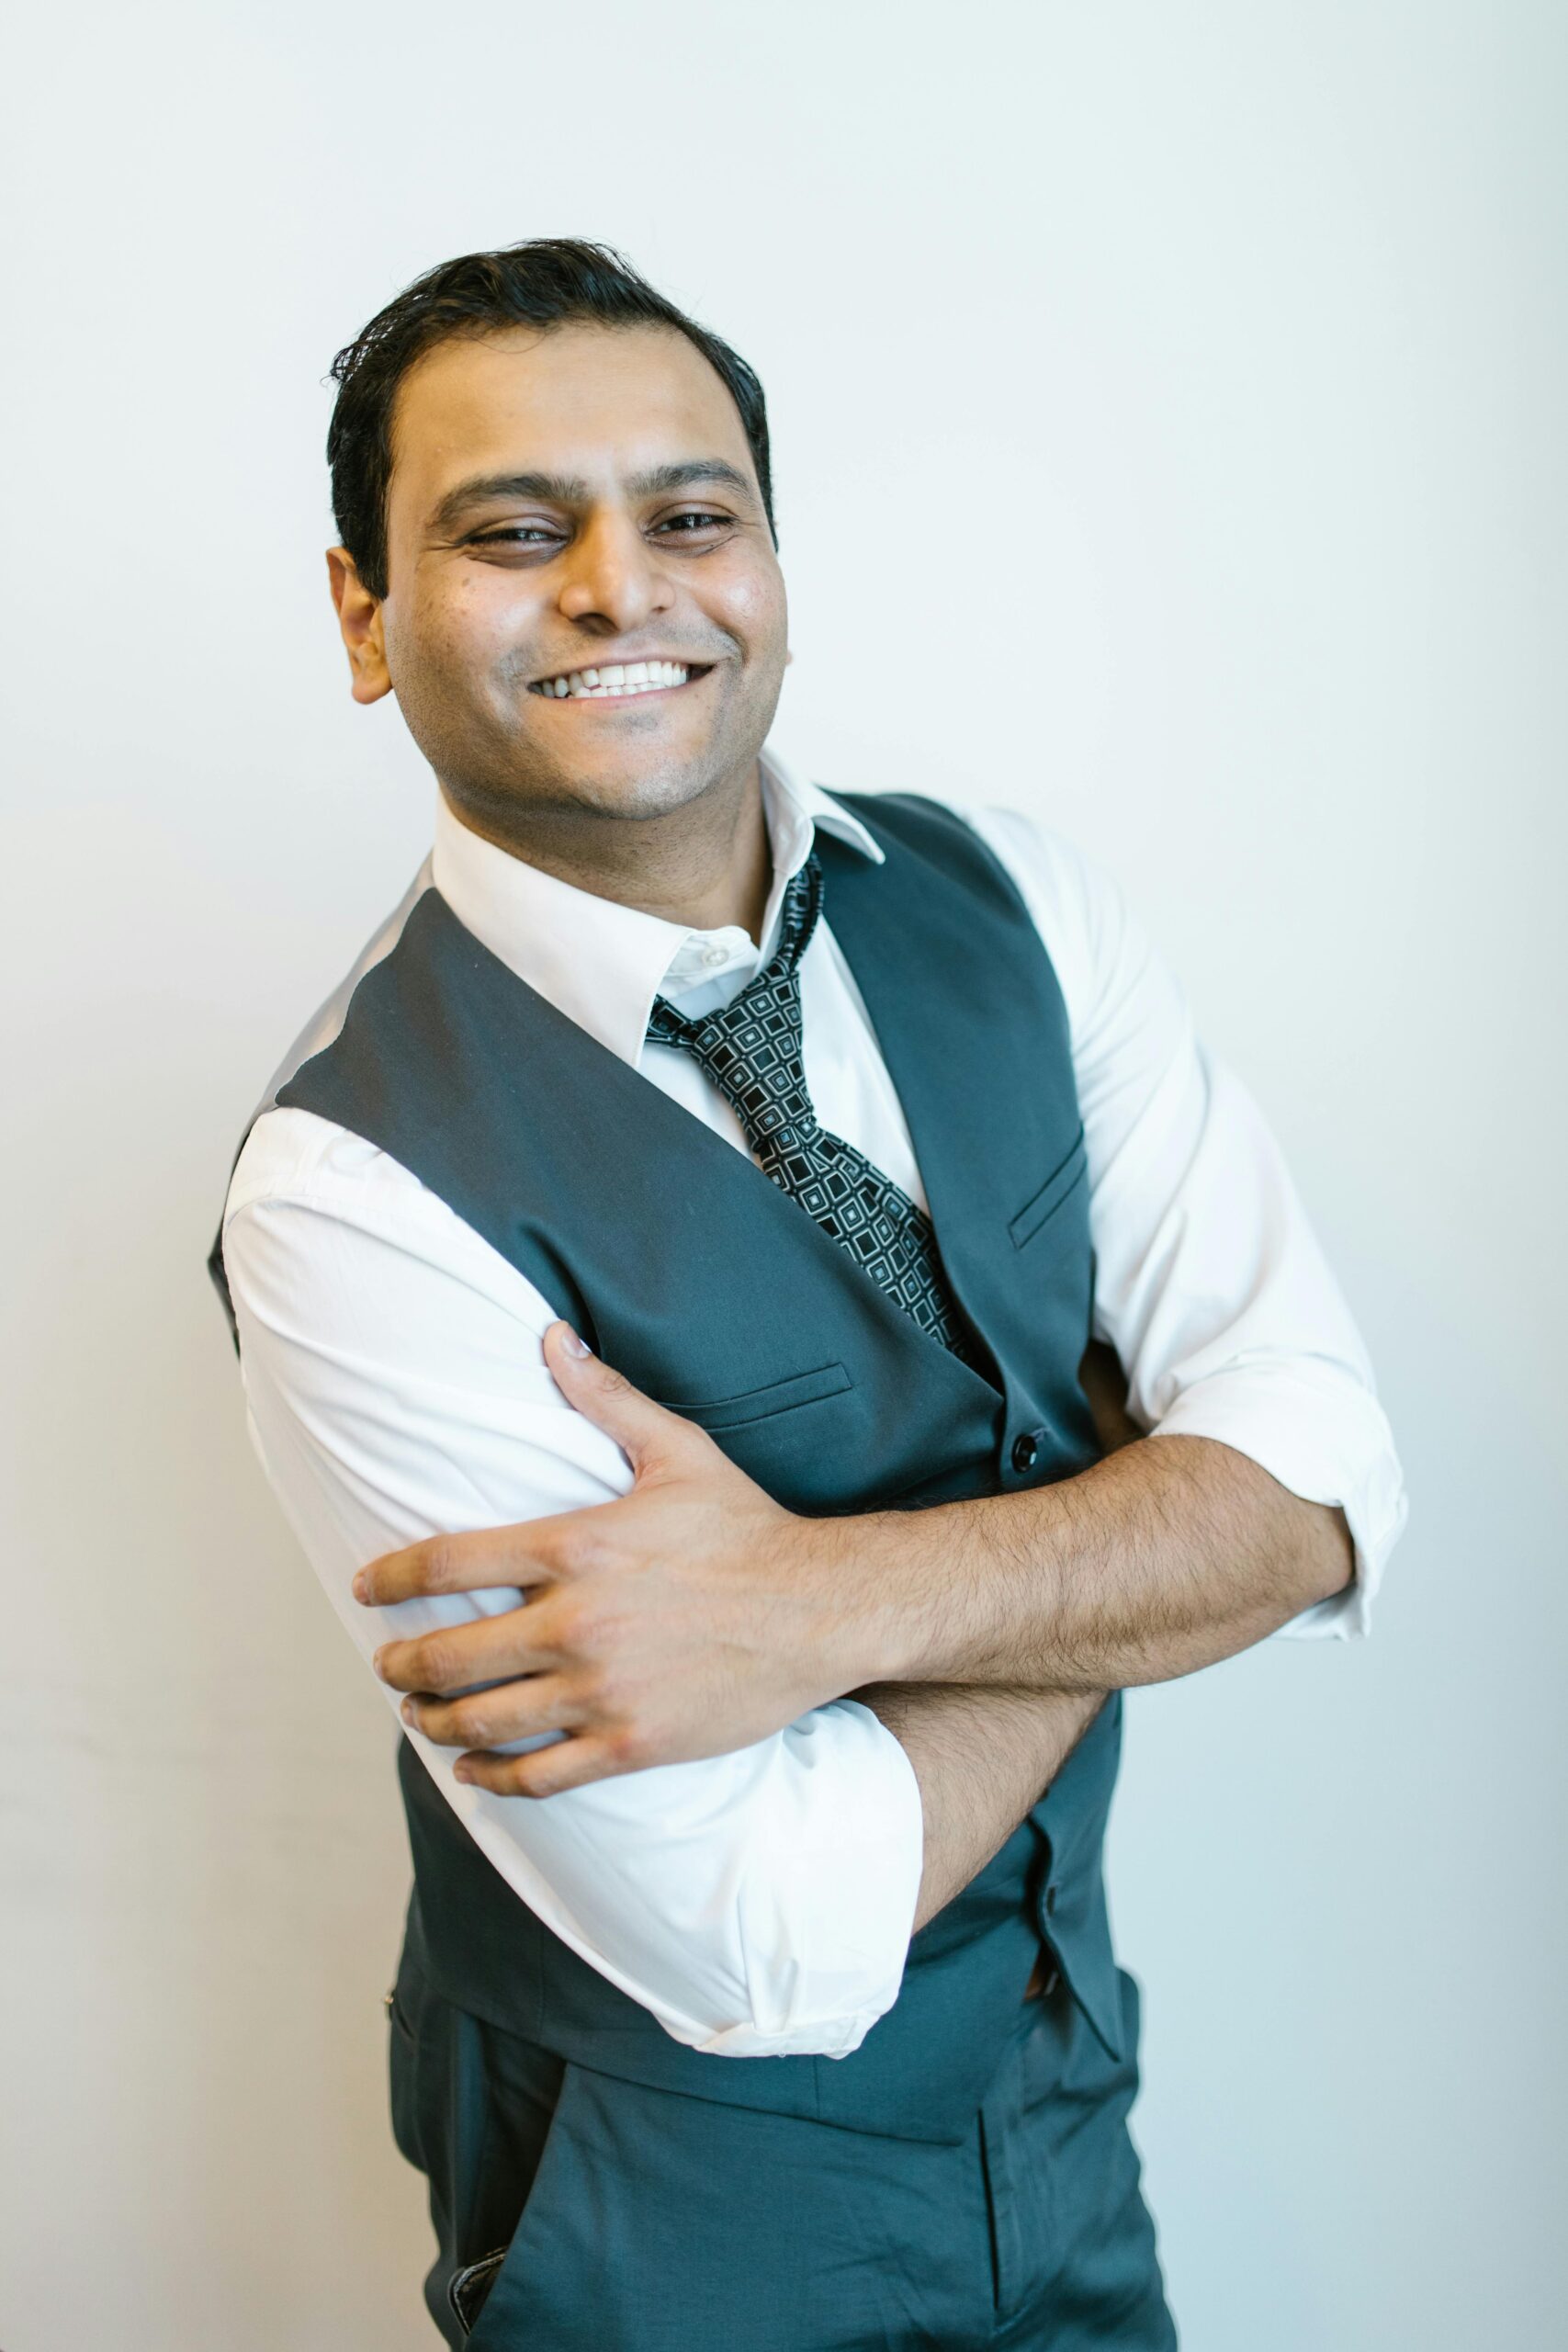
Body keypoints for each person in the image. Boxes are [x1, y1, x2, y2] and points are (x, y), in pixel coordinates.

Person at [212, 238, 1405, 2350]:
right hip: (659, 2222)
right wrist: (1142, 1516)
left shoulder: (1017, 898)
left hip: (1062, 2118)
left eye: (691, 513)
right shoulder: (344, 1188)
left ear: (765, 558)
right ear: (363, 617)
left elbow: (1323, 1492)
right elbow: (768, 1930)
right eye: (511, 531)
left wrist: (818, 1606)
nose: (621, 583)